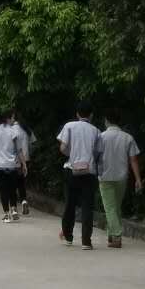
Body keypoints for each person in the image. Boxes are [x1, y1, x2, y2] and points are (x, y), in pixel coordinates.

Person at [57, 101, 104, 250]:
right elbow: (98, 153)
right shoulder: (96, 131)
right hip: (89, 172)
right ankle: (86, 241)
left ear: (77, 114)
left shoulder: (69, 126)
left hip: (71, 169)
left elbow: (62, 147)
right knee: (87, 206)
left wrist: (72, 155)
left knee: (70, 204)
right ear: (91, 115)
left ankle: (68, 236)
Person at [98, 109, 142, 249]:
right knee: (116, 206)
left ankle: (116, 235)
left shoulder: (100, 137)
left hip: (105, 176)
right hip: (121, 176)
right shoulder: (128, 138)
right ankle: (111, 234)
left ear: (106, 121)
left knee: (110, 207)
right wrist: (138, 179)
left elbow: (95, 157)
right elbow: (133, 160)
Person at [0, 111, 28, 222]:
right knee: (12, 189)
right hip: (12, 165)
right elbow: (19, 150)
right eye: (12, 118)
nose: (13, 120)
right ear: (7, 119)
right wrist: (24, 164)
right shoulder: (13, 132)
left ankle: (6, 214)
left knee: (3, 190)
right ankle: (14, 209)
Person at [11, 116, 35, 217]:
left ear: (14, 119)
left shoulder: (11, 130)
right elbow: (33, 144)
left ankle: (14, 207)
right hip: (25, 159)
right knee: (21, 183)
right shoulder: (27, 129)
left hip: (13, 161)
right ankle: (24, 201)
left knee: (12, 184)